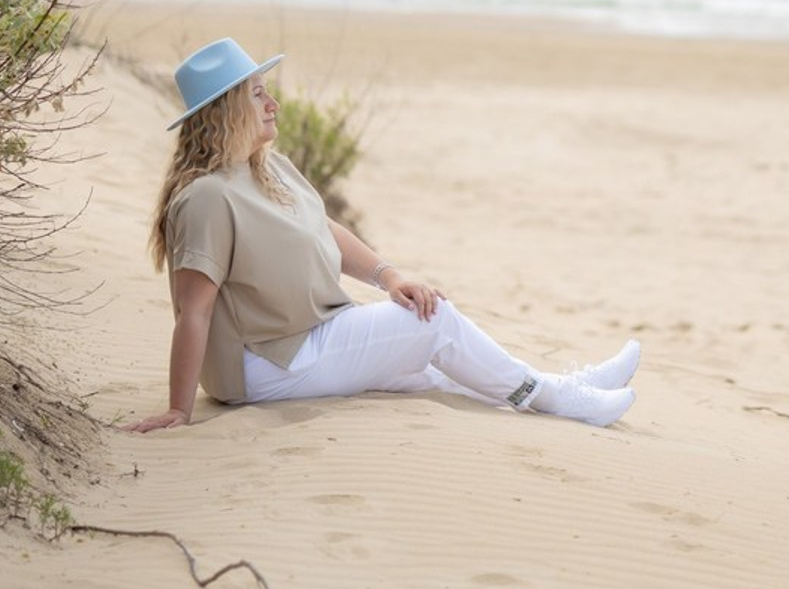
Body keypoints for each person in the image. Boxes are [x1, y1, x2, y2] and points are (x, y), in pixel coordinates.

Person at [127, 38, 639, 433]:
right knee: (434, 322)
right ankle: (556, 397)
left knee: (438, 368)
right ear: (226, 111)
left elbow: (324, 229)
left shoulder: (268, 168)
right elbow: (192, 311)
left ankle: (564, 387)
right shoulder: (206, 198)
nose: (273, 103)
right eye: (257, 94)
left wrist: (387, 276)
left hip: (312, 334)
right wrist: (178, 407)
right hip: (266, 362)